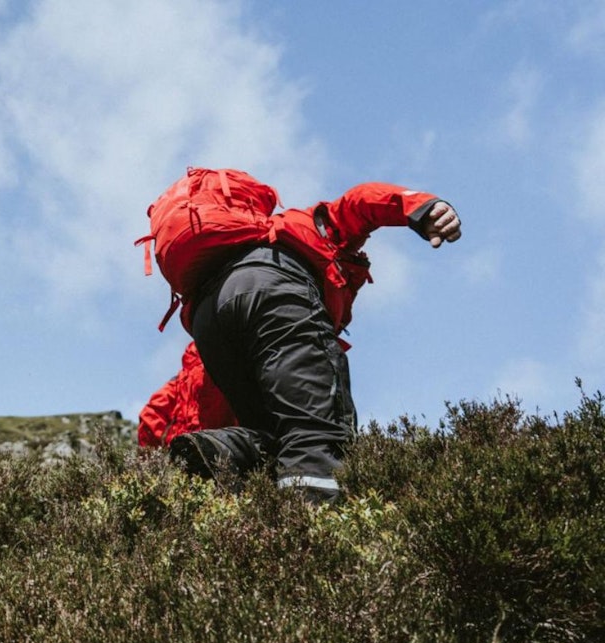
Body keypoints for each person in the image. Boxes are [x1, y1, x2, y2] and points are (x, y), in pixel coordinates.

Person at [170, 181, 462, 501]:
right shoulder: (307, 225)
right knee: (318, 432)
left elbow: (207, 388)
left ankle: (221, 449)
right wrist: (421, 208)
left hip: (207, 319)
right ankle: (312, 529)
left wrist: (206, 444)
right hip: (275, 288)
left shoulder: (218, 264)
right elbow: (361, 202)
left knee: (277, 436)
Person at [137, 341, 236, 449]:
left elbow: (149, 418)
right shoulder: (227, 357)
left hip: (193, 451)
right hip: (225, 450)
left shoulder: (180, 380)